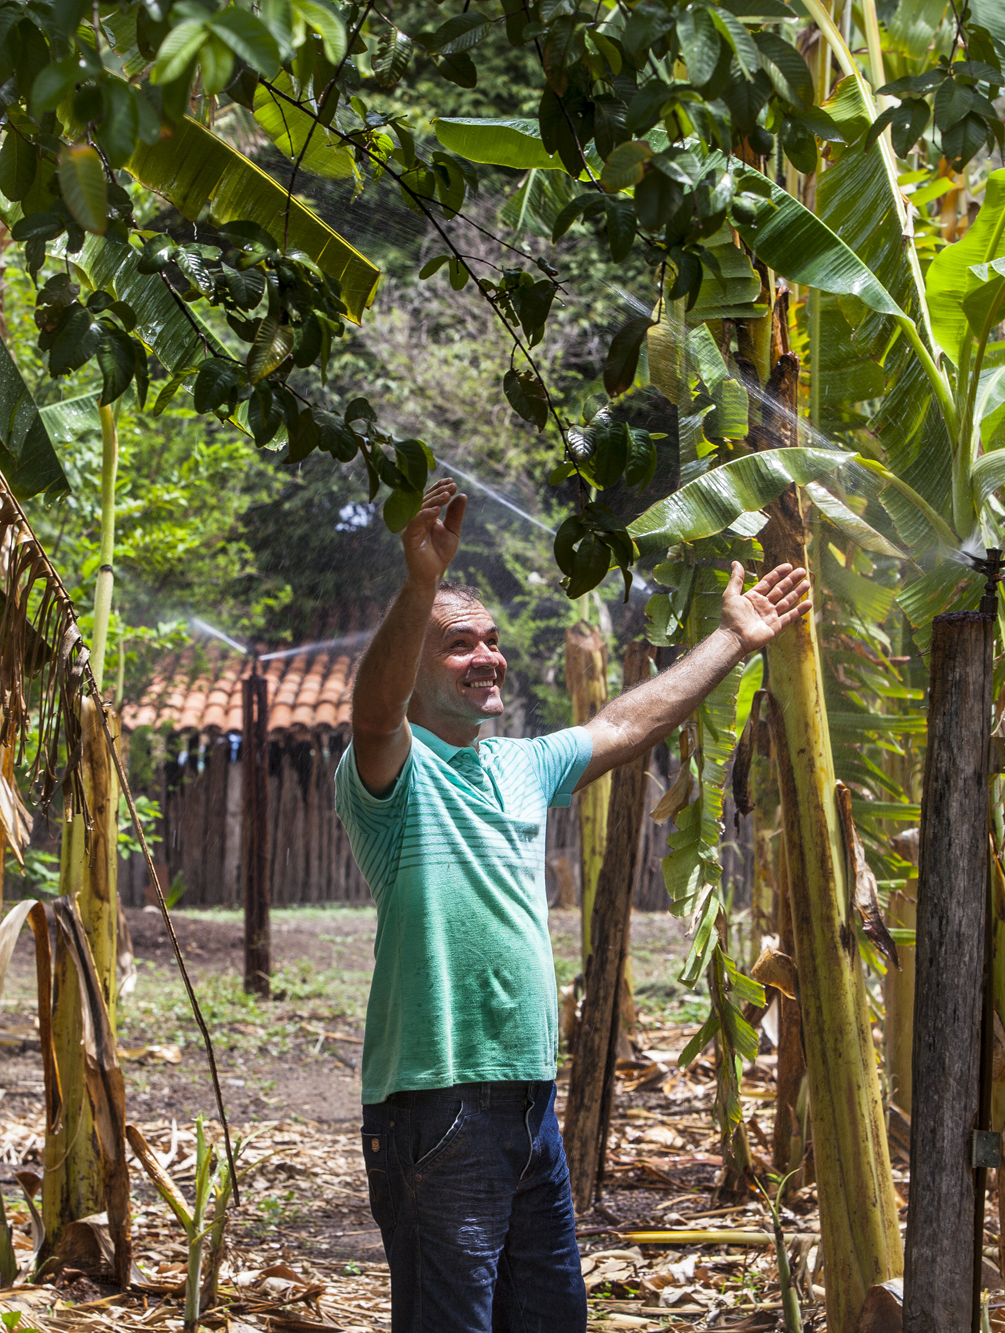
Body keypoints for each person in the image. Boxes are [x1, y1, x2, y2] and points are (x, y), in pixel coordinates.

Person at [334, 476, 812, 1332]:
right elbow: (372, 717)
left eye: (492, 639)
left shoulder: (520, 765)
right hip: (436, 1105)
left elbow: (631, 723)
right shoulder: (392, 778)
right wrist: (418, 585)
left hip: (528, 1104)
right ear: (413, 668)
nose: (488, 656)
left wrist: (733, 639)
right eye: (458, 644)